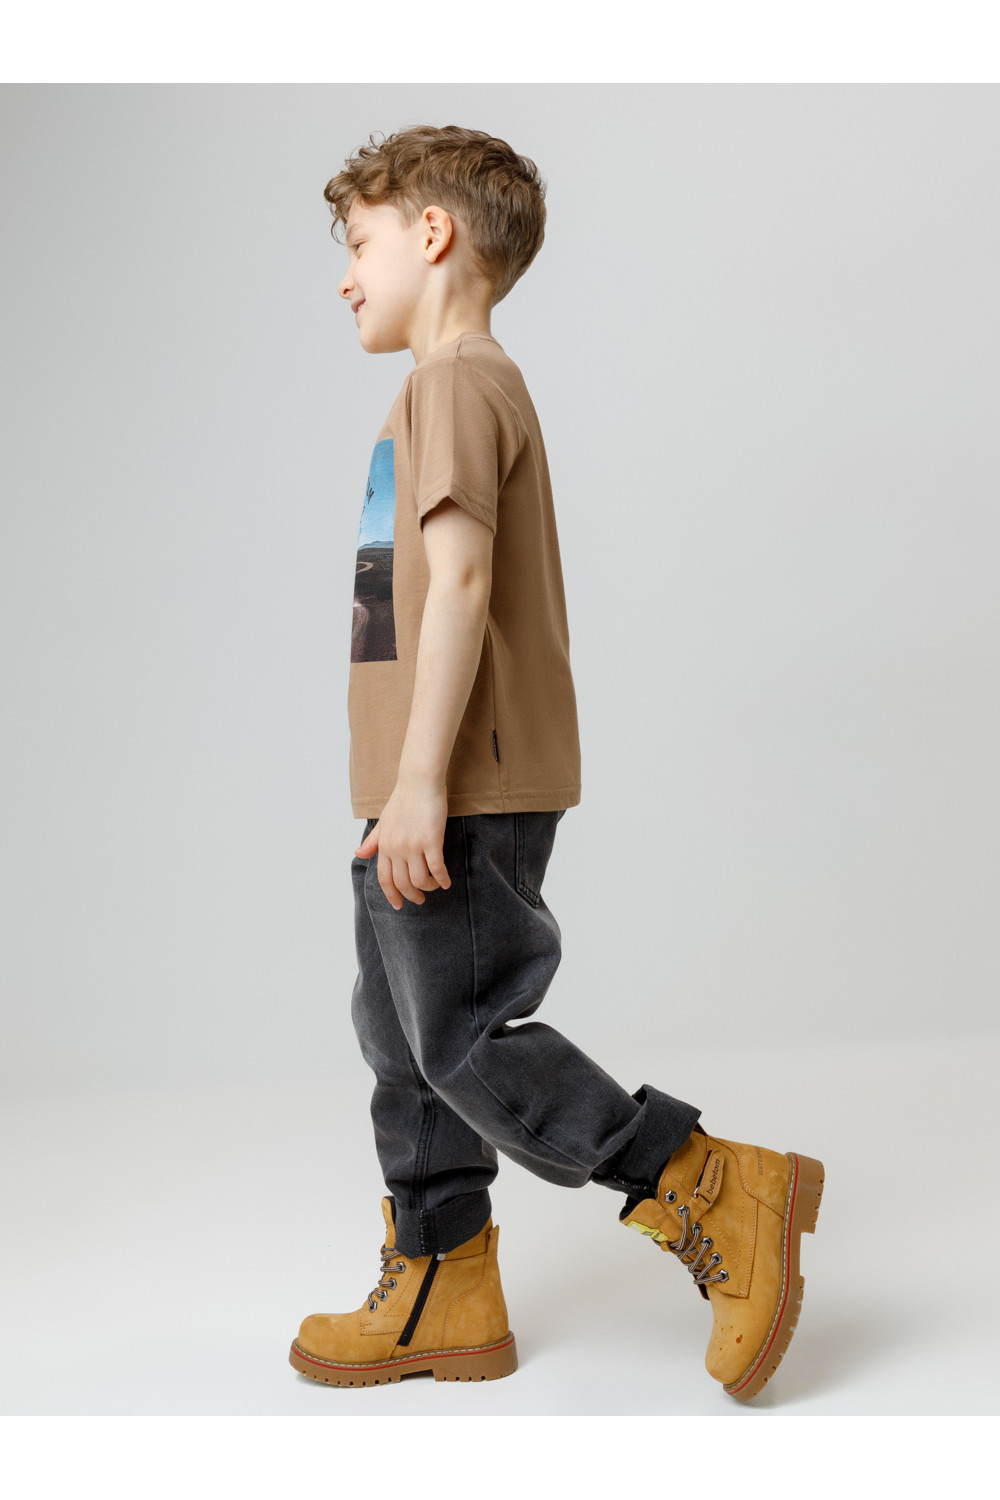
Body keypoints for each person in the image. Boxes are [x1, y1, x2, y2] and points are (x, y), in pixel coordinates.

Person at [288, 124, 823, 1402]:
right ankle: (443, 1280)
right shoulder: (441, 390)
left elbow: (463, 582)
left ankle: (703, 1182)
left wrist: (423, 784)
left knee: (463, 1034)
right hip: (415, 783)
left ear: (431, 233)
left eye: (358, 243)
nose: (345, 277)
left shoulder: (454, 385)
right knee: (403, 1039)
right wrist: (395, 785)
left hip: (454, 781)